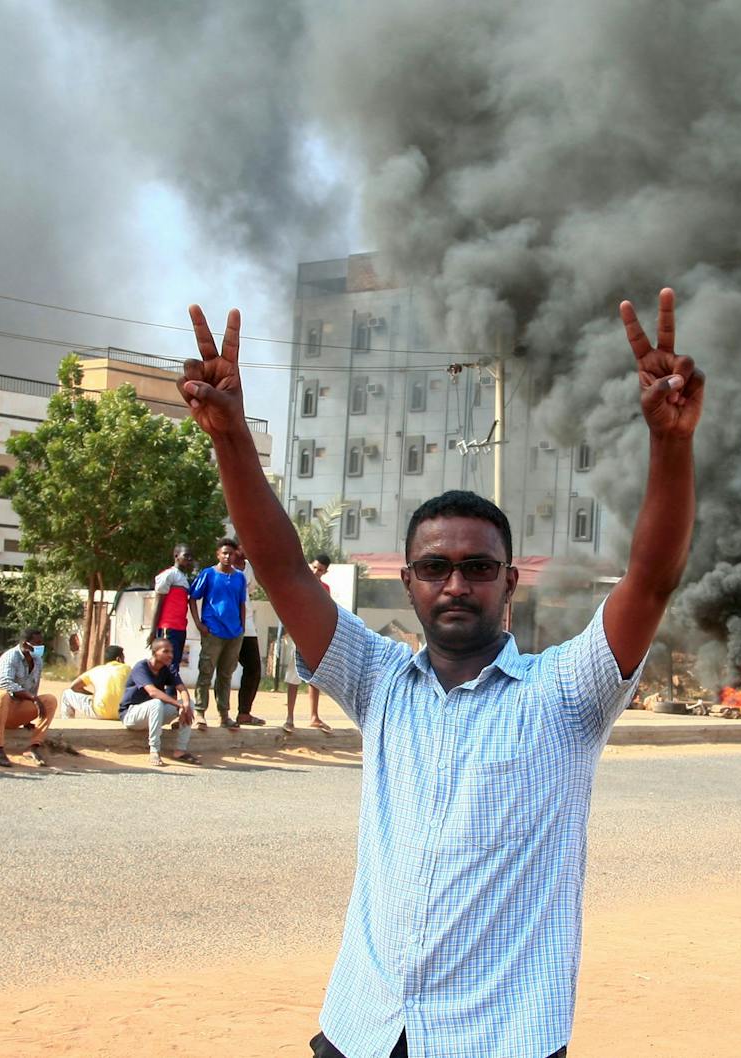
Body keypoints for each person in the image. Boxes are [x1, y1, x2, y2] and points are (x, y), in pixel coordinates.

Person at [177, 290, 701, 1058]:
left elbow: (650, 581)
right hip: (364, 1026)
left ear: (510, 582)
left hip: (497, 1039)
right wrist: (230, 441)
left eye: (478, 566)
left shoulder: (566, 695)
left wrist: (670, 444)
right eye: (435, 567)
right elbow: (284, 571)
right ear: (412, 581)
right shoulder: (381, 683)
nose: (456, 584)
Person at [191, 537, 250, 730]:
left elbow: (241, 603)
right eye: (224, 553)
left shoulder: (240, 577)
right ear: (218, 554)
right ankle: (199, 712)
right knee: (206, 672)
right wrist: (199, 623)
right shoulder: (208, 574)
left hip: (234, 633)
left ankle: (224, 715)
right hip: (213, 631)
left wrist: (241, 628)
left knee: (226, 675)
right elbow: (193, 597)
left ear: (235, 555)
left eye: (231, 553)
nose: (227, 556)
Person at [0, 627, 55, 767]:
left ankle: (34, 747)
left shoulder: (38, 661)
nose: (40, 647)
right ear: (25, 644)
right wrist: (32, 698)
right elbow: (4, 682)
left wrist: (28, 714)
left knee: (50, 700)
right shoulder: (11, 656)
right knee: (2, 695)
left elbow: (33, 688)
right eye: (37, 644)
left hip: (14, 711)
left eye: (41, 643)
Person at [121, 635, 200, 766]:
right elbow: (153, 692)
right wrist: (178, 705)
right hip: (132, 715)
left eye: (172, 652)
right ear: (154, 652)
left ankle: (180, 750)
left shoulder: (168, 668)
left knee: (189, 704)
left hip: (154, 714)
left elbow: (183, 689)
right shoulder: (141, 667)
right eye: (165, 651)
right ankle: (154, 751)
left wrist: (184, 704)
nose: (170, 655)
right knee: (156, 702)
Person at [282, 554, 332, 732]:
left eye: (320, 569)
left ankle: (314, 716)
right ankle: (289, 717)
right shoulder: (298, 583)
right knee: (293, 677)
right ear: (310, 565)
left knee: (315, 678)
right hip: (297, 635)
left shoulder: (325, 589)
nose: (316, 571)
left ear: (325, 571)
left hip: (316, 637)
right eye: (315, 567)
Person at [153, 544, 195, 691]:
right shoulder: (169, 575)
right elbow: (158, 602)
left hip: (180, 627)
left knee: (174, 663)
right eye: (186, 556)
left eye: (191, 557)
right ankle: (165, 697)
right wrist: (153, 629)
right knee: (166, 663)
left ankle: (170, 698)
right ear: (176, 556)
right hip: (168, 626)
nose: (189, 560)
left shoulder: (183, 578)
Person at [232, 542, 265, 726]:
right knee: (222, 669)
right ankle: (209, 714)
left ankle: (244, 713)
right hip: (225, 624)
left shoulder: (249, 568)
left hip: (247, 624)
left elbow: (251, 590)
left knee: (253, 668)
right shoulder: (222, 567)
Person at [62, 645, 130, 719]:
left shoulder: (97, 670)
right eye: (123, 659)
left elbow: (74, 686)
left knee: (67, 693)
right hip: (123, 713)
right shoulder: (129, 669)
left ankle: (68, 722)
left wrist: (92, 695)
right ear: (118, 659)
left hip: (100, 712)